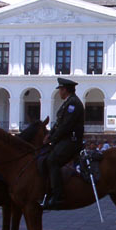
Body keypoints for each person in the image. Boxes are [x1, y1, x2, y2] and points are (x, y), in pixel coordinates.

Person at [41, 78, 84, 210]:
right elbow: (58, 123)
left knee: (52, 161)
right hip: (64, 140)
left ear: (65, 89)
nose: (59, 92)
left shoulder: (73, 104)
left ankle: (58, 196)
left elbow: (66, 125)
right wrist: (49, 134)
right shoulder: (67, 103)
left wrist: (52, 138)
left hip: (71, 141)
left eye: (60, 89)